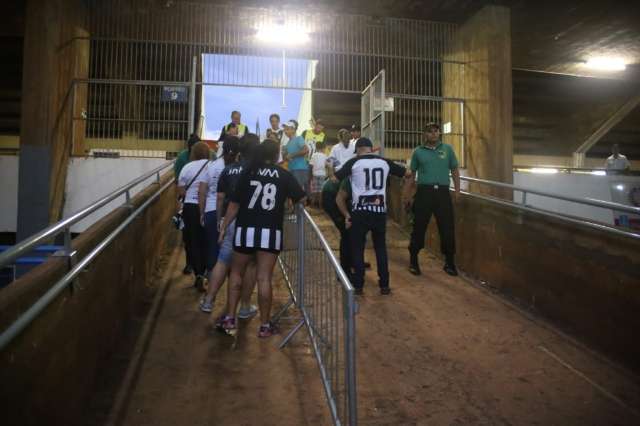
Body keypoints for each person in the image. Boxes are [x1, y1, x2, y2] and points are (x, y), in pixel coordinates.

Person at [218, 139, 306, 337]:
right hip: (271, 232)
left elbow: (234, 205)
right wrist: (289, 202)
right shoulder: (283, 175)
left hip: (245, 230)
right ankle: (265, 325)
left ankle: (230, 318)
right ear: (276, 155)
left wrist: (223, 228)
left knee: (236, 273)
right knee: (264, 277)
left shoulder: (247, 173)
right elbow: (302, 197)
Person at [334, 137, 407, 295]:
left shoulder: (354, 163)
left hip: (359, 211)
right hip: (379, 212)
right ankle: (384, 285)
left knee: (358, 248)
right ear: (370, 148)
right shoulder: (384, 162)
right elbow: (406, 173)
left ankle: (359, 285)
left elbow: (335, 178)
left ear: (359, 149)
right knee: (380, 248)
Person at [200, 134, 260, 320]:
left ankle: (209, 301)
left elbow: (219, 198)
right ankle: (244, 306)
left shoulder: (229, 169)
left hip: (230, 219)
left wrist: (221, 222)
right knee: (250, 264)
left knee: (223, 260)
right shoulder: (260, 171)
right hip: (252, 221)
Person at [404, 122, 461, 277]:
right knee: (419, 227)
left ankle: (449, 263)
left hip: (442, 193)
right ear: (425, 134)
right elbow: (411, 175)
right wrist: (407, 196)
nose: (434, 134)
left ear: (439, 133)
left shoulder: (447, 150)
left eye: (436, 131)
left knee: (447, 228)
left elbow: (455, 170)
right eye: (430, 131)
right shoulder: (418, 152)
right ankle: (413, 261)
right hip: (424, 193)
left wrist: (457, 190)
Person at [197, 136, 240, 282]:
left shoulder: (212, 165)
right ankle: (230, 277)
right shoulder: (239, 168)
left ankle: (211, 276)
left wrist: (201, 212)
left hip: (211, 210)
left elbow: (202, 190)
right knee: (231, 248)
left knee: (212, 245)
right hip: (232, 213)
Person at [177, 142, 211, 290]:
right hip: (208, 206)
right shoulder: (213, 166)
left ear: (194, 153)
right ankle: (207, 271)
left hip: (191, 207)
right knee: (207, 239)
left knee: (193, 240)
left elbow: (181, 192)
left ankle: (198, 273)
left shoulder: (187, 167)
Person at [174, 133, 200, 275]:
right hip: (188, 203)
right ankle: (190, 263)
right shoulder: (182, 158)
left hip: (199, 203)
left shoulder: (210, 156)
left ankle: (199, 268)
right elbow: (178, 182)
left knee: (196, 236)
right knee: (188, 236)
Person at [283, 120, 310, 194]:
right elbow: (288, 158)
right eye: (285, 129)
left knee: (298, 192)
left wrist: (292, 155)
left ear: (293, 129)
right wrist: (285, 156)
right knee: (295, 192)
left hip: (300, 169)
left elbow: (306, 150)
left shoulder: (299, 138)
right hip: (292, 169)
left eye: (287, 129)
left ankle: (302, 205)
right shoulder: (288, 143)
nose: (285, 131)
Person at [309, 141, 328, 208]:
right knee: (320, 191)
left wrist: (310, 176)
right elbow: (326, 166)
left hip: (315, 175)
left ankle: (312, 205)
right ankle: (320, 206)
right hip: (322, 175)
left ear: (316, 148)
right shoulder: (325, 156)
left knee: (314, 191)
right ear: (323, 148)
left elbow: (311, 165)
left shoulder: (314, 155)